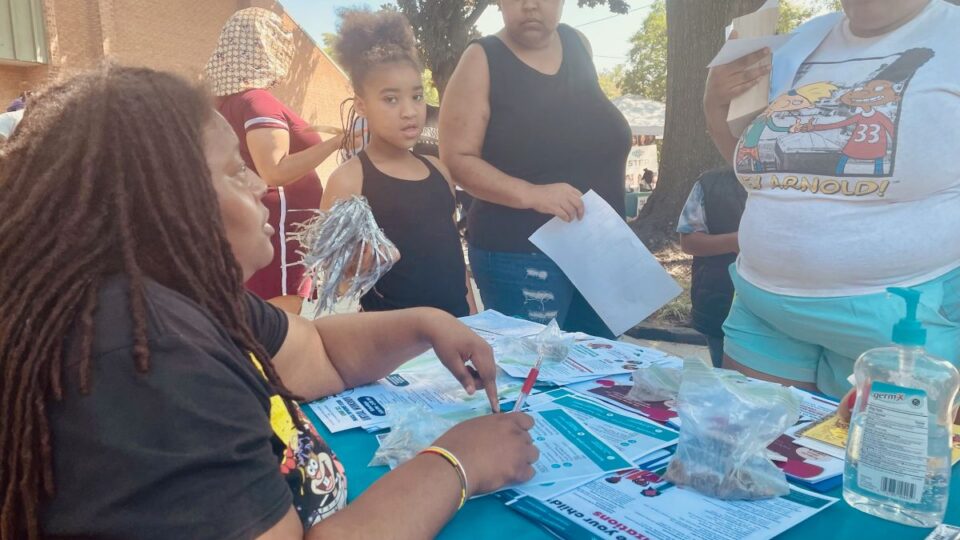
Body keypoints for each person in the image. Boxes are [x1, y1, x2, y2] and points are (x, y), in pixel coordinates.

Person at [0, 65, 538, 540]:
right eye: (236, 171)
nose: (260, 185)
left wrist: (427, 323)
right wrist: (458, 462)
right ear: (164, 205)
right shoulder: (149, 358)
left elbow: (318, 353)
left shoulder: (191, 299)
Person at [703, 0, 960, 399]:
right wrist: (715, 104)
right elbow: (758, 171)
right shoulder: (800, 38)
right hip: (764, 310)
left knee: (885, 462)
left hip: (906, 323)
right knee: (756, 458)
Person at [440, 0, 631, 338]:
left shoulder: (578, 44)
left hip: (598, 247)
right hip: (521, 256)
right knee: (537, 379)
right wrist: (531, 194)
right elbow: (457, 159)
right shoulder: (481, 59)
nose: (530, 5)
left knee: (599, 377)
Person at [321, 10, 477, 317]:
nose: (409, 111)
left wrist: (472, 312)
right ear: (362, 105)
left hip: (458, 327)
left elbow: (453, 254)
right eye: (391, 99)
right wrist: (356, 266)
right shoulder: (349, 179)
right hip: (397, 345)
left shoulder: (438, 169)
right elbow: (334, 280)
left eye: (417, 97)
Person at [205, 8, 345, 315]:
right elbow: (274, 170)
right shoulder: (257, 100)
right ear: (265, 45)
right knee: (283, 324)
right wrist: (339, 141)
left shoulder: (230, 103)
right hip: (282, 230)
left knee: (262, 323)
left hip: (267, 224)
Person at [676, 168, 747, 367]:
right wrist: (735, 241)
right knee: (727, 381)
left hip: (786, 310)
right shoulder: (709, 184)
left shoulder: (804, 184)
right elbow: (688, 241)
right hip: (721, 304)